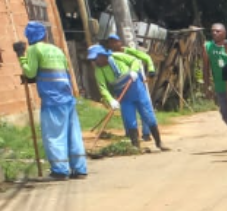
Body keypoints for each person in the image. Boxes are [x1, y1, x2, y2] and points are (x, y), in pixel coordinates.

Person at [14, 21, 88, 180]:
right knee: (73, 134)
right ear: (45, 34)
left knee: (54, 135)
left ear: (29, 37)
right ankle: (80, 169)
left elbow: (30, 72)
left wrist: (21, 56)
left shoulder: (34, 49)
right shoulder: (57, 50)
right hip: (67, 98)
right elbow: (61, 73)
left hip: (52, 100)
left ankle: (60, 170)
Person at [88, 44, 167, 151]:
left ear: (102, 55)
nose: (95, 62)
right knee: (130, 121)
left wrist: (134, 71)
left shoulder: (117, 56)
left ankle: (159, 142)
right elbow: (102, 87)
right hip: (124, 97)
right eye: (92, 60)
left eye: (95, 58)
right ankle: (136, 146)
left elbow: (135, 61)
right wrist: (111, 100)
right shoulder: (99, 70)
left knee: (148, 116)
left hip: (137, 91)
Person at [105, 33, 155, 142]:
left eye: (115, 41)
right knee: (126, 110)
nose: (113, 44)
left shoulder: (127, 51)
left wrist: (151, 70)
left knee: (144, 108)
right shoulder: (109, 57)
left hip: (136, 81)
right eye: (110, 42)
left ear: (120, 42)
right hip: (122, 86)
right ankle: (130, 133)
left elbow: (146, 57)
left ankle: (146, 133)